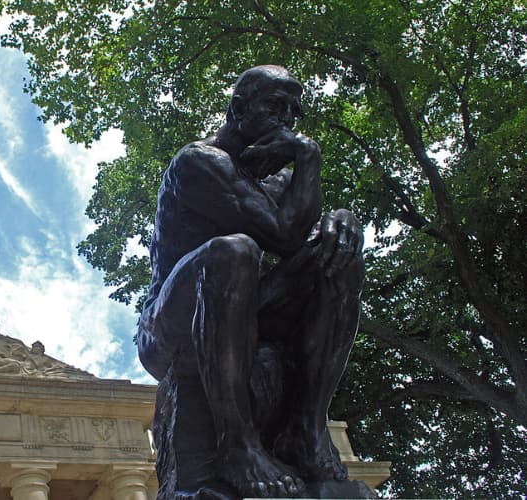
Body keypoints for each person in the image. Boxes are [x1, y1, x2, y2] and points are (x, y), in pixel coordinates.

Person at [137, 65, 364, 499]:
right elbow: (282, 233)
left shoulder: (278, 175)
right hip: (169, 325)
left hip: (245, 304)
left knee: (338, 258)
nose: (287, 122)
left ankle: (305, 426)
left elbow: (305, 241)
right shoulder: (199, 161)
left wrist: (343, 222)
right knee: (233, 251)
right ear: (239, 107)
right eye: (276, 107)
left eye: (294, 113)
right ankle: (237, 445)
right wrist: (309, 155)